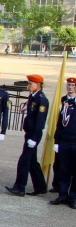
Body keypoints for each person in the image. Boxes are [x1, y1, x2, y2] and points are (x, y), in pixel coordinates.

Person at [6, 75, 49, 197]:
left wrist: (34, 138)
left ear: (38, 85)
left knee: (24, 161)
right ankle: (40, 186)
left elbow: (40, 121)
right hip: (29, 132)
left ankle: (20, 187)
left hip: (33, 134)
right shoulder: (33, 96)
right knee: (32, 161)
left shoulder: (41, 99)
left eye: (31, 84)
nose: (28, 86)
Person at [50, 78, 76, 208]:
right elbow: (60, 123)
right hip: (64, 141)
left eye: (73, 85)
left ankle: (73, 197)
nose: (70, 87)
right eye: (69, 85)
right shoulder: (63, 100)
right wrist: (57, 139)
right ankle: (62, 194)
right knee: (63, 169)